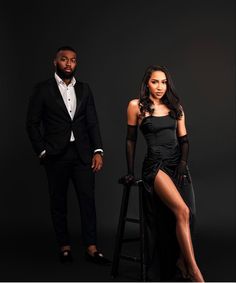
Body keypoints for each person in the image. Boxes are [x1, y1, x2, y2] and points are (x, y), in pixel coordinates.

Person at [26, 46, 110, 265]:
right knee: (58, 202)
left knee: (88, 201)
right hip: (55, 154)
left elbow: (92, 121)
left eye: (73, 60)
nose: (69, 64)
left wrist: (98, 150)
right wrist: (42, 150)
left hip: (82, 154)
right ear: (55, 62)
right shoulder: (43, 89)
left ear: (76, 63)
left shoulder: (85, 89)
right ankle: (64, 247)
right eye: (64, 60)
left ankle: (91, 248)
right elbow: (32, 123)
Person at [123, 65, 204, 281]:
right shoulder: (136, 106)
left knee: (191, 215)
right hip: (155, 165)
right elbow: (131, 141)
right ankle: (195, 271)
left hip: (177, 165)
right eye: (155, 82)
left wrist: (182, 163)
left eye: (164, 82)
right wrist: (130, 172)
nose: (160, 87)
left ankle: (180, 260)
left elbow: (184, 140)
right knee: (183, 212)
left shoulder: (176, 107)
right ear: (147, 83)